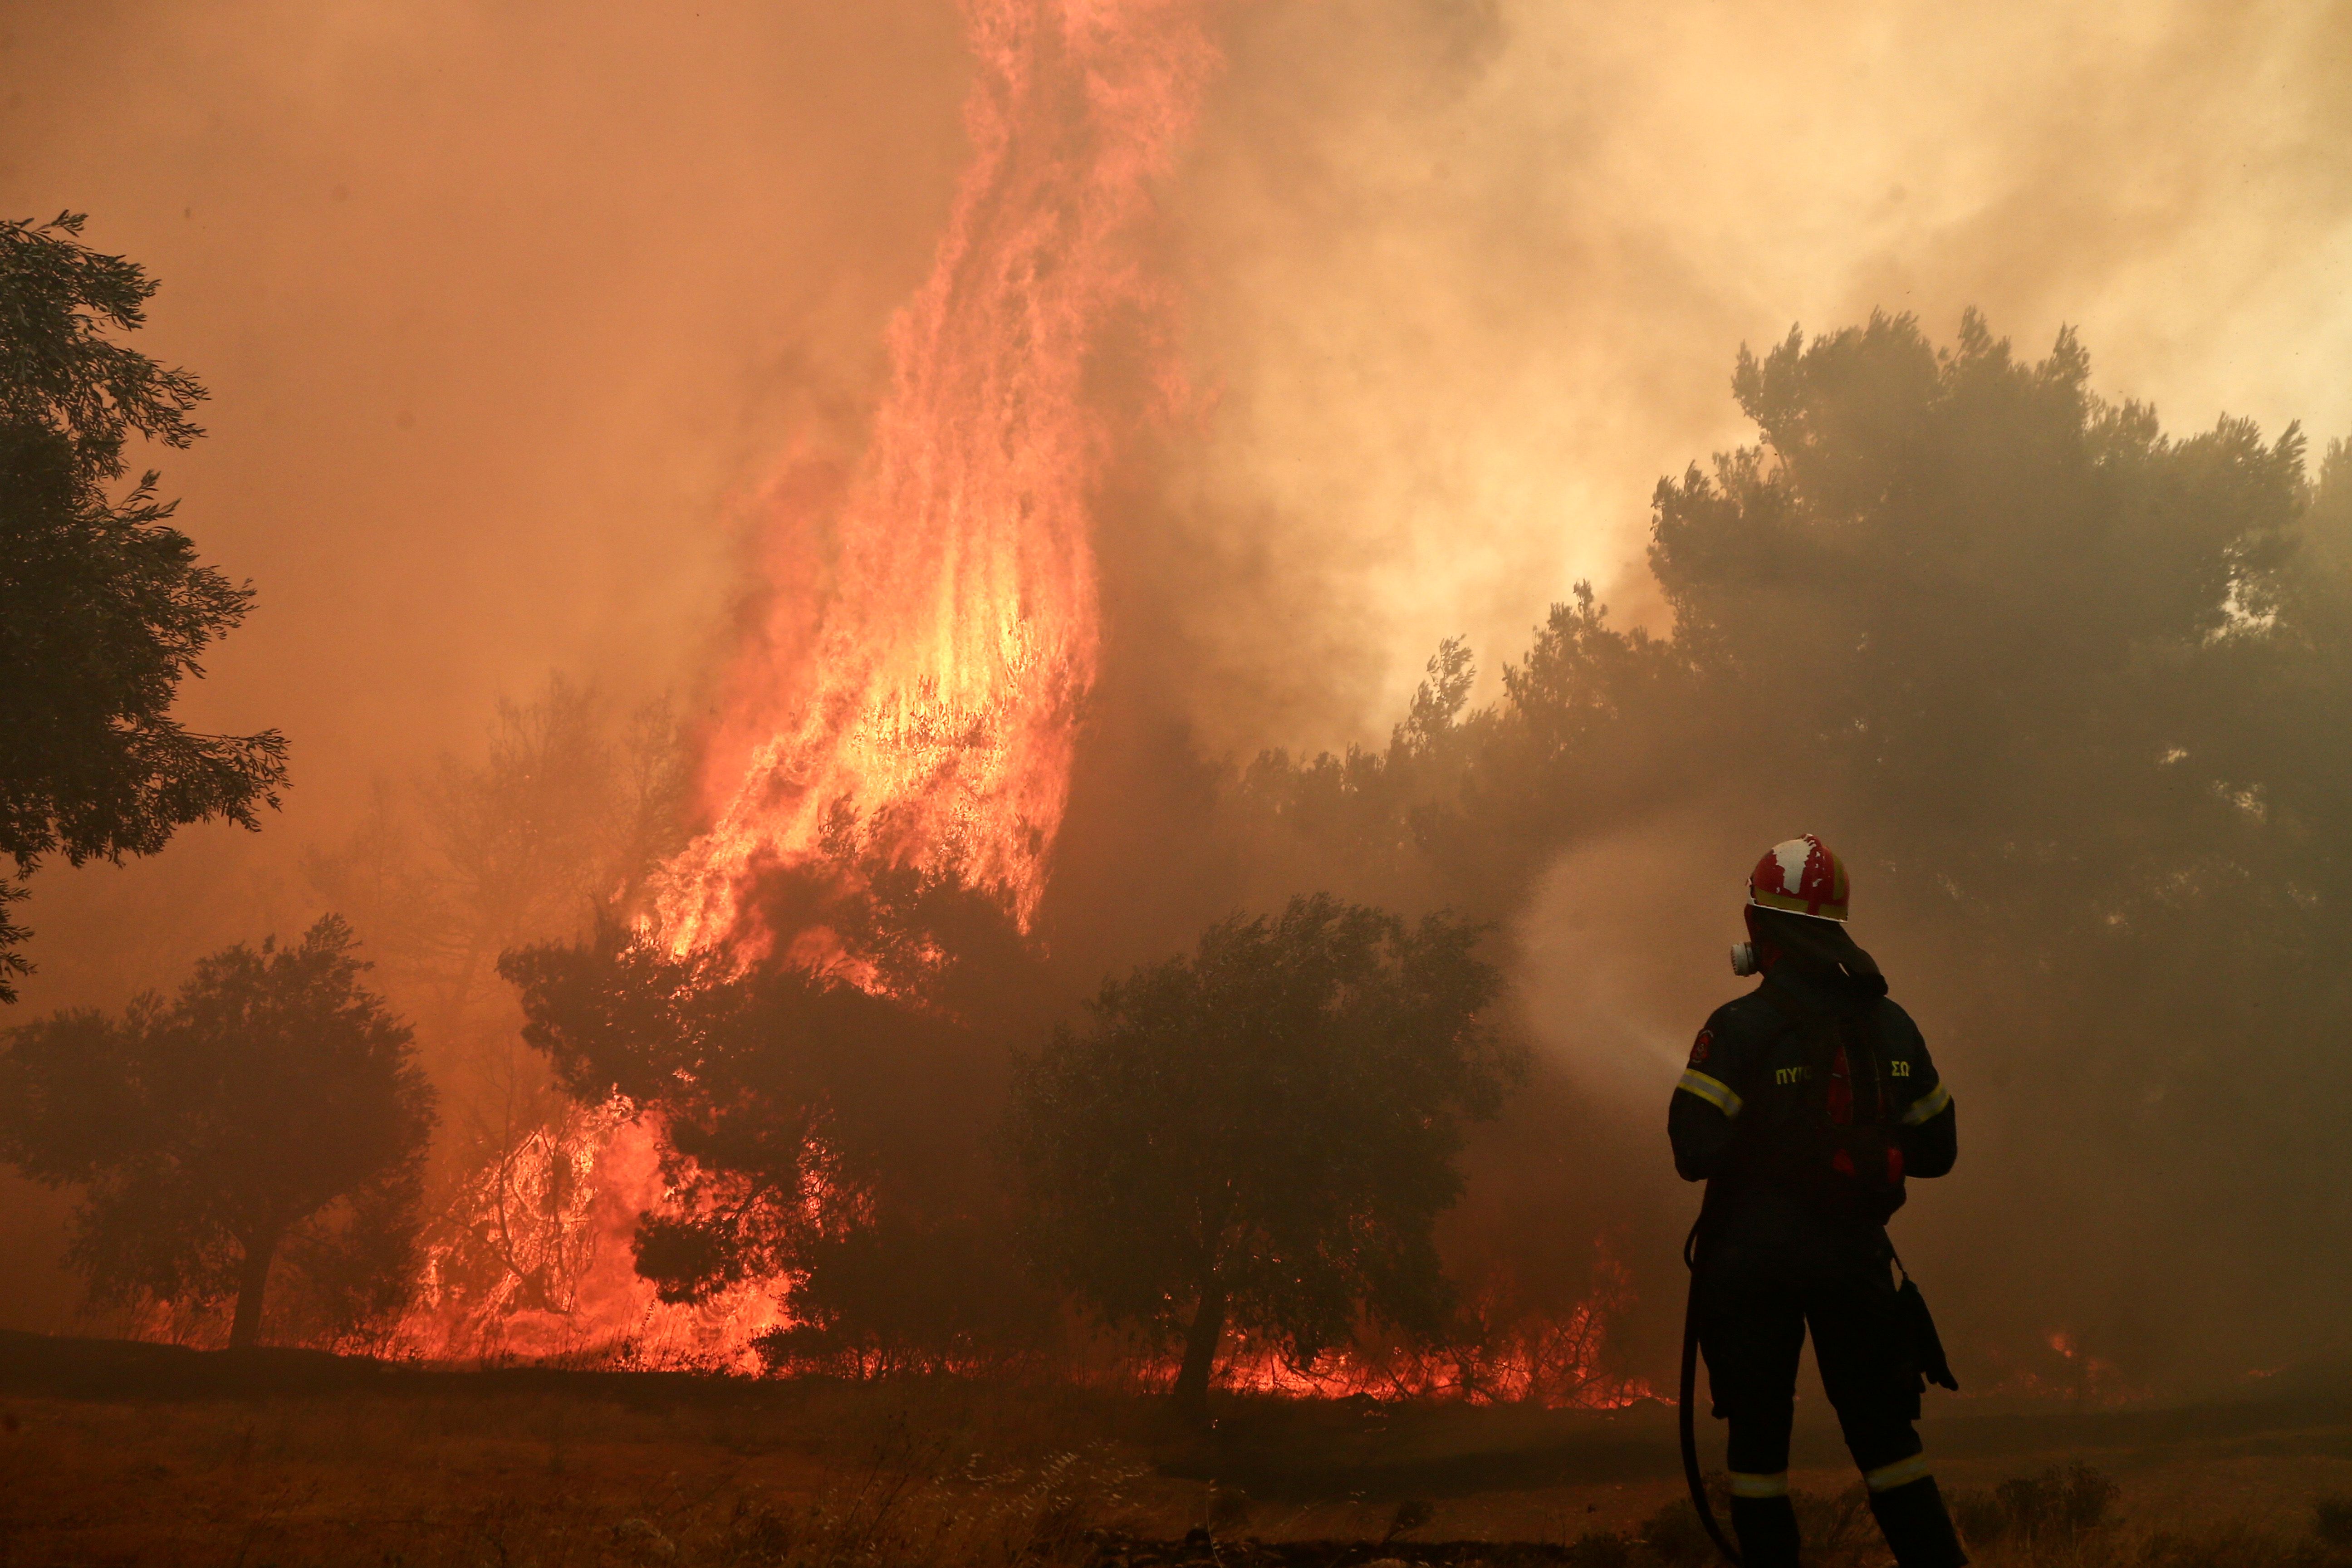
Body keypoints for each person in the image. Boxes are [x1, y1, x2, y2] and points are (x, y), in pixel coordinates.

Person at [1670, 834, 1965, 1568]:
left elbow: (1692, 1149)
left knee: (1759, 1448)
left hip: (1752, 1268)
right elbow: (1939, 1151)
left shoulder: (1740, 1027)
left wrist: (1765, 1143)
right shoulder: (1890, 1024)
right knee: (1887, 1439)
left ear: (1758, 927)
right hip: (1854, 1260)